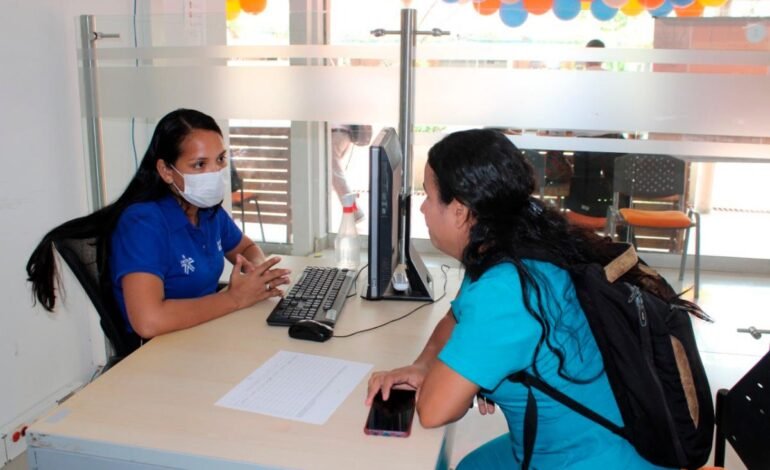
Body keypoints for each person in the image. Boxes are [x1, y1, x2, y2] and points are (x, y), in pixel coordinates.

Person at [365, 129, 670, 469]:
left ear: (460, 211)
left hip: (596, 458)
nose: (422, 208)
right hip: (605, 433)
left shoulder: (505, 289)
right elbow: (454, 320)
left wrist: (455, 380)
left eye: (429, 195)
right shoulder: (513, 244)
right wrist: (423, 366)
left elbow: (434, 410)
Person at [26, 108, 291, 339]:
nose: (214, 172)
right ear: (165, 170)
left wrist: (257, 272)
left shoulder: (207, 210)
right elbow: (148, 321)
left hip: (204, 332)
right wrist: (234, 298)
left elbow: (245, 248)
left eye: (220, 159)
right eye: (199, 164)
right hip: (161, 348)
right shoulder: (143, 223)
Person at [330, 124, 370, 222]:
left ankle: (355, 211)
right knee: (334, 176)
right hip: (343, 133)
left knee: (336, 176)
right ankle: (354, 211)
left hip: (336, 132)